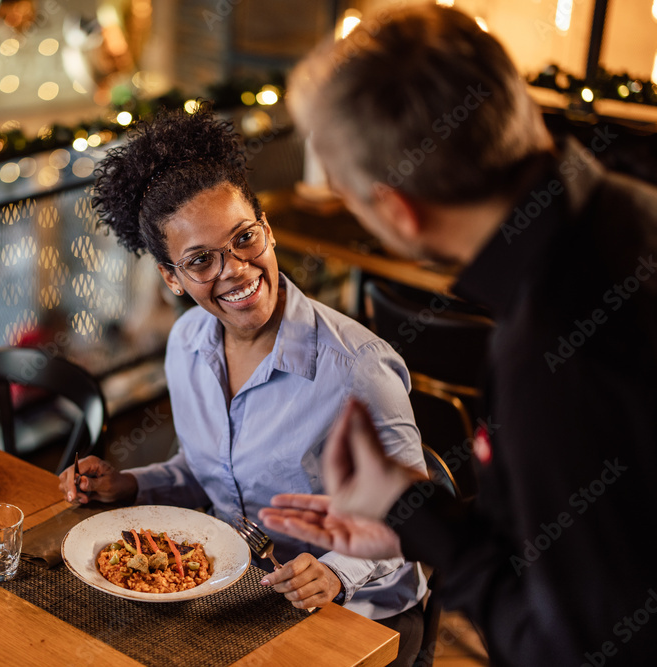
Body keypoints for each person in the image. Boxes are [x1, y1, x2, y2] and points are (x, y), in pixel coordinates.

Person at [260, 6, 657, 667]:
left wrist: (440, 540)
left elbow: (565, 645)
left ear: (396, 211)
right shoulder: (627, 206)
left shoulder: (554, 351)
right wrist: (406, 508)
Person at [58, 108, 428, 665]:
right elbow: (209, 471)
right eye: (200, 261)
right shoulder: (186, 343)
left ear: (267, 228)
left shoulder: (358, 368)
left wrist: (334, 572)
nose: (233, 269)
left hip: (360, 618)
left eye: (244, 238)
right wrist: (128, 486)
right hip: (244, 592)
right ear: (171, 278)